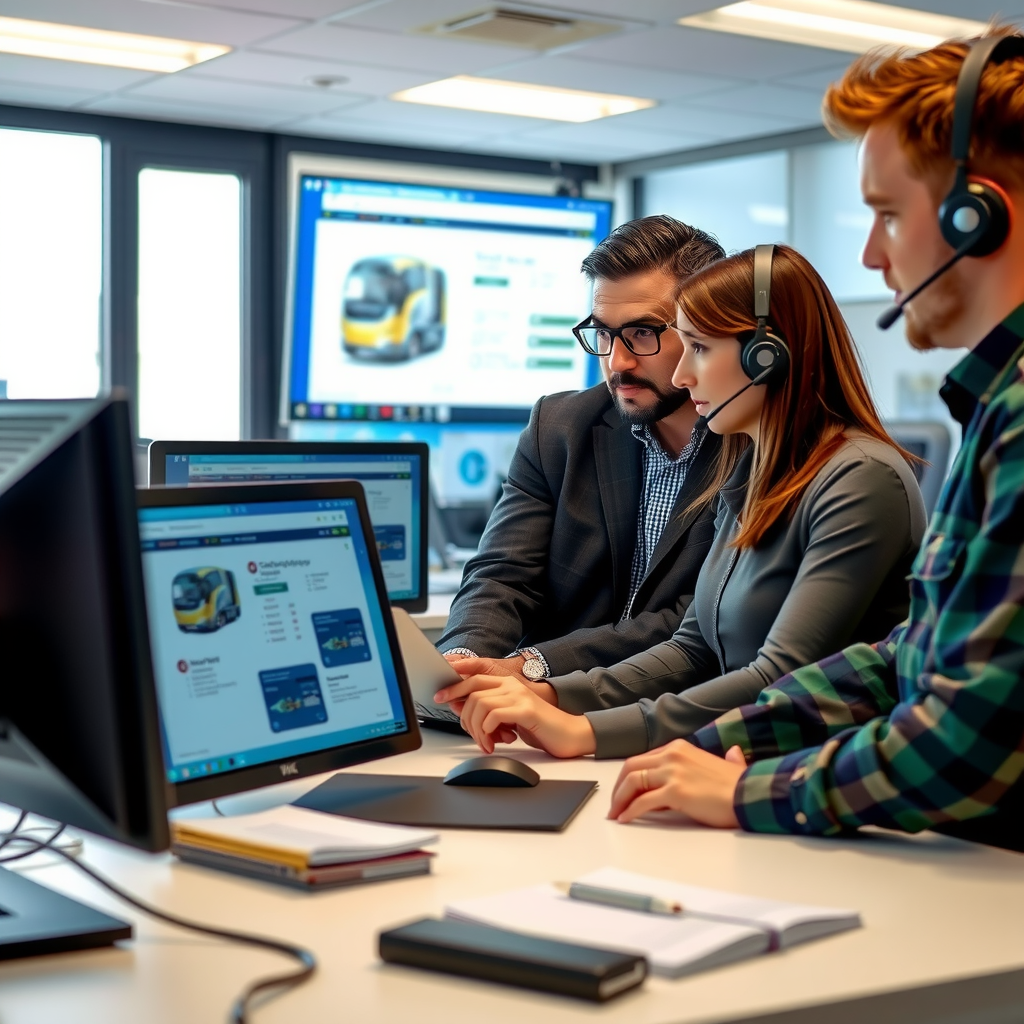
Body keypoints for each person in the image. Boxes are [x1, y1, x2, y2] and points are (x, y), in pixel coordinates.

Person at [606, 29, 1024, 853]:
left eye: (886, 216)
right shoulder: (993, 408)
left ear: (977, 216)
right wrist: (707, 746)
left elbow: (969, 735)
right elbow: (908, 656)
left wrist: (751, 790)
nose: (871, 257)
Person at [439, 244, 926, 758]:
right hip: (736, 753)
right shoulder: (755, 470)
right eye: (603, 336)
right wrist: (550, 695)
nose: (681, 376)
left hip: (814, 774)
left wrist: (586, 731)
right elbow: (694, 646)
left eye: (698, 347)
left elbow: (777, 675)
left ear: (767, 356)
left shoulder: (861, 476)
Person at [437, 216, 725, 685]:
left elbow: (689, 619)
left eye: (642, 333)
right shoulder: (559, 428)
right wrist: (463, 663)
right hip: (534, 720)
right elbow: (501, 575)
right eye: (604, 333)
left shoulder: (755, 443)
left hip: (673, 714)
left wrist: (529, 667)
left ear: (702, 329)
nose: (618, 361)